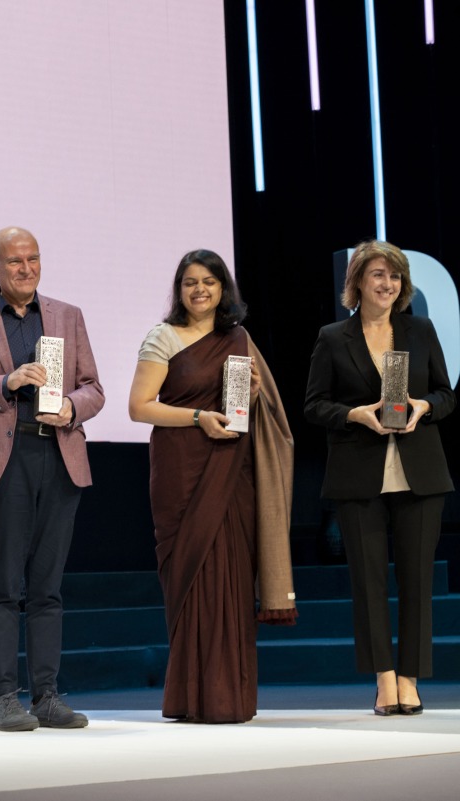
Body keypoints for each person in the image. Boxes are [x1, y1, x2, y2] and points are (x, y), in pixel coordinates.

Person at [0, 226, 104, 732]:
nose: (26, 269)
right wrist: (6, 383)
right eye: (15, 261)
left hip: (59, 456)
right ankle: (4, 698)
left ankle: (48, 695)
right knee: (5, 585)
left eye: (33, 259)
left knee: (48, 587)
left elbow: (94, 388)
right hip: (6, 461)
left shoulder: (67, 316)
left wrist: (72, 409)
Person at [127, 249, 295, 724]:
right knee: (188, 575)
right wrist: (199, 418)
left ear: (224, 289)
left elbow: (245, 412)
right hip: (181, 468)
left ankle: (229, 698)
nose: (200, 290)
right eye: (190, 283)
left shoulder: (237, 338)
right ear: (179, 290)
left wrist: (253, 396)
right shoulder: (163, 337)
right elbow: (139, 407)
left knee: (232, 579)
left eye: (210, 282)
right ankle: (189, 698)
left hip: (231, 468)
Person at [304, 240, 453, 716]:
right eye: (377, 275)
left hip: (419, 471)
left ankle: (410, 679)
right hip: (358, 472)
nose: (387, 284)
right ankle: (383, 679)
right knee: (368, 583)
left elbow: (446, 394)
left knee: (416, 582)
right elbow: (314, 405)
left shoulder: (421, 329)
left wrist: (423, 406)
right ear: (358, 283)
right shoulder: (332, 336)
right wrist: (356, 415)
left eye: (394, 276)